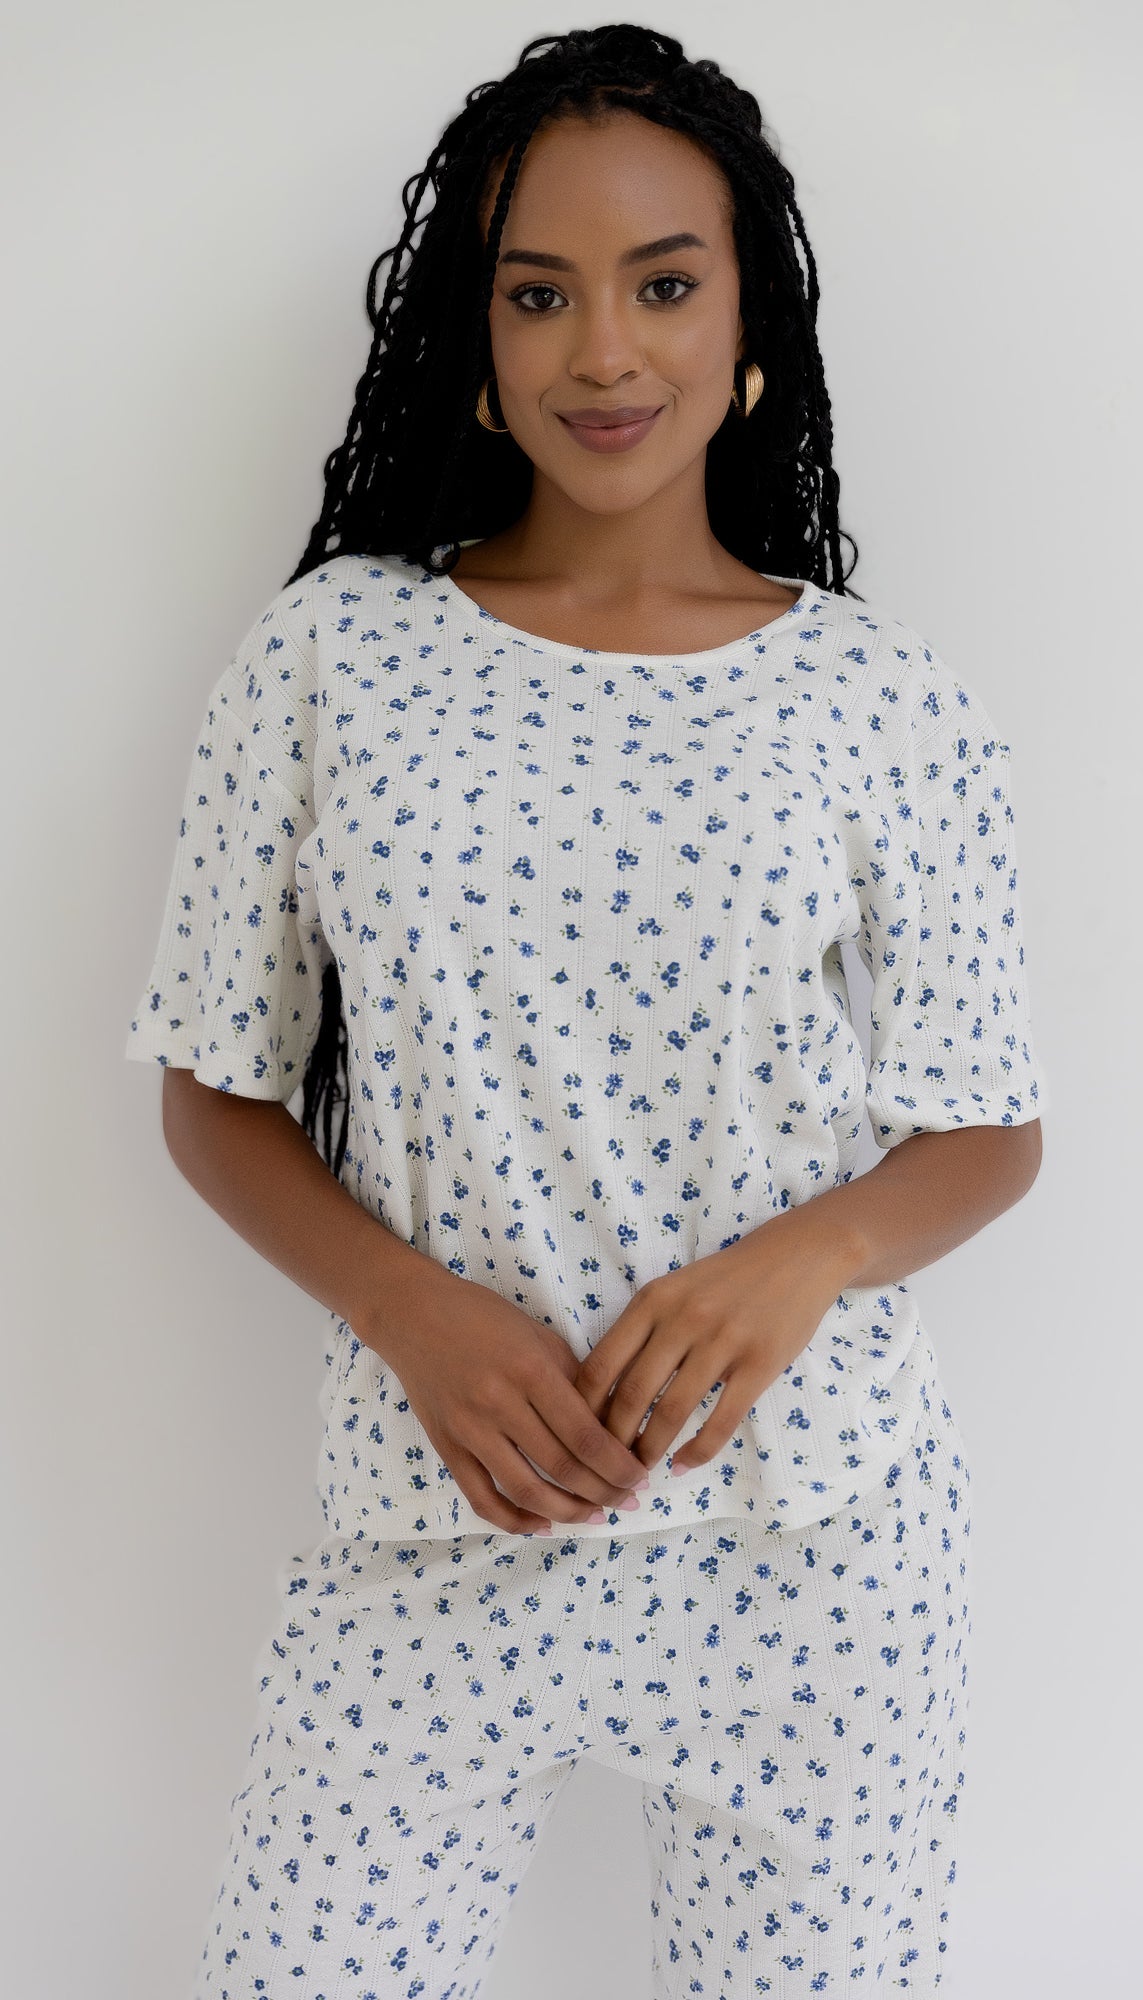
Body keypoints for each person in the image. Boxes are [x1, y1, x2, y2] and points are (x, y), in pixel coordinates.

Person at [124, 22, 1048, 1996]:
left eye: (663, 284)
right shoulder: (333, 658)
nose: (603, 351)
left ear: (749, 319)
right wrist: (409, 1312)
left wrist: (809, 1257)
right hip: (428, 1522)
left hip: (813, 1551)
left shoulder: (882, 697)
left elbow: (987, 1124)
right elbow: (216, 1087)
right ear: (473, 337)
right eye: (538, 293)